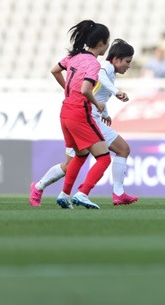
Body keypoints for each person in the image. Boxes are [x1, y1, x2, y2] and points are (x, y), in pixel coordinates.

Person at [29, 39, 139, 207]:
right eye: (127, 61)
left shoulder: (109, 70)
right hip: (86, 118)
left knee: (71, 163)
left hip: (83, 115)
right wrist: (116, 92)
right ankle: (110, 193)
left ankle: (39, 187)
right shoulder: (105, 67)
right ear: (116, 59)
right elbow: (99, 76)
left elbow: (98, 92)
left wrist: (106, 112)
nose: (128, 66)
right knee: (121, 149)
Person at [47, 20, 112, 209]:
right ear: (101, 42)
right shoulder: (93, 63)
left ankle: (64, 194)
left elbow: (54, 70)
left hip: (65, 112)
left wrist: (67, 89)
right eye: (107, 42)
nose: (107, 46)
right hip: (79, 113)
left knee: (80, 155)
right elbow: (85, 89)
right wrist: (97, 103)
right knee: (104, 157)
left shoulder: (74, 57)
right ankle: (83, 193)